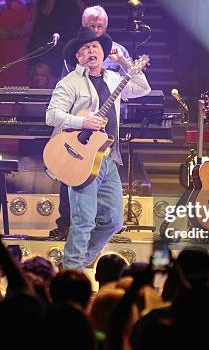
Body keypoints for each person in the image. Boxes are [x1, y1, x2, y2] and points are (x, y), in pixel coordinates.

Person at [45, 26, 151, 269]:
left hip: (108, 157)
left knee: (113, 221)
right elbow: (51, 115)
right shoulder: (69, 82)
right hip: (81, 156)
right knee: (83, 220)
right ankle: (73, 272)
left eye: (95, 47)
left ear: (104, 53)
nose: (91, 50)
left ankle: (76, 262)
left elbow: (142, 88)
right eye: (85, 48)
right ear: (78, 57)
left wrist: (124, 61)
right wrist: (82, 121)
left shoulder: (114, 78)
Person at [51, 5, 133, 240]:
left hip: (108, 133)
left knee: (105, 192)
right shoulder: (76, 53)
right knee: (72, 176)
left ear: (106, 28)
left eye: (100, 27)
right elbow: (66, 92)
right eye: (91, 26)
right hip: (79, 133)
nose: (96, 31)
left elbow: (136, 86)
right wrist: (82, 120)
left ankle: (98, 233)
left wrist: (124, 62)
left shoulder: (117, 51)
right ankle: (67, 225)